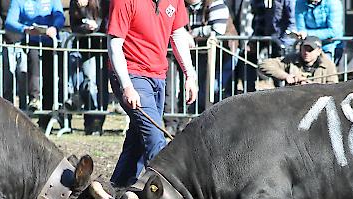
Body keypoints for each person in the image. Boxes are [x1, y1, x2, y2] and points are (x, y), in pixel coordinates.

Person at [107, 0, 198, 187]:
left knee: (138, 140)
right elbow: (114, 43)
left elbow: (178, 32)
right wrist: (127, 86)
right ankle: (170, 192)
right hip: (132, 74)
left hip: (158, 76)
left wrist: (190, 74)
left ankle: (117, 189)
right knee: (154, 137)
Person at [165, 0, 237, 134]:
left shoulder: (215, 4)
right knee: (189, 91)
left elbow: (218, 29)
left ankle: (213, 125)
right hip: (194, 55)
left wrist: (191, 34)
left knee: (212, 91)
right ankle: (186, 122)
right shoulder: (181, 5)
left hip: (222, 56)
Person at [5, 0, 65, 112]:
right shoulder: (19, 1)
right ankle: (35, 98)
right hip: (30, 43)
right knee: (34, 64)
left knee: (49, 77)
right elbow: (9, 21)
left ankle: (46, 115)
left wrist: (55, 27)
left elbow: (59, 16)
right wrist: (25, 29)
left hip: (50, 43)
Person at [68, 0, 109, 135]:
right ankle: (90, 121)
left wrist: (96, 28)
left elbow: (106, 21)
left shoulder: (102, 2)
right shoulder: (75, 2)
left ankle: (98, 123)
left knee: (101, 86)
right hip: (85, 49)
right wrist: (85, 25)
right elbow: (74, 26)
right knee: (89, 83)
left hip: (102, 47)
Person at [259, 34, 337, 84]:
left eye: (310, 50)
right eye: (304, 48)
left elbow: (333, 89)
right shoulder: (291, 60)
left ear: (319, 51)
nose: (306, 52)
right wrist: (286, 76)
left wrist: (310, 85)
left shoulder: (328, 65)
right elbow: (264, 64)